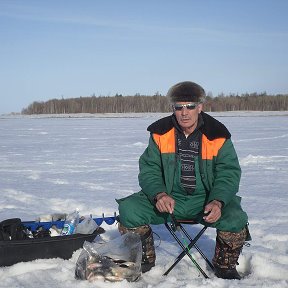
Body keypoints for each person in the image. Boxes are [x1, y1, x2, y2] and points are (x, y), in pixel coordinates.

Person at [116, 81, 250, 280]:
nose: (184, 113)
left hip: (206, 200)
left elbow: (228, 173)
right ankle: (144, 258)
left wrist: (218, 201)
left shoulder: (218, 135)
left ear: (200, 107)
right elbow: (149, 169)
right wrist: (159, 194)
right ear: (173, 109)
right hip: (169, 199)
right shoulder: (160, 134)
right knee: (130, 209)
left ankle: (225, 265)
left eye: (190, 106)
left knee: (236, 217)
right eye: (179, 107)